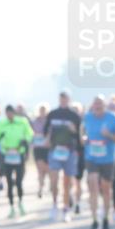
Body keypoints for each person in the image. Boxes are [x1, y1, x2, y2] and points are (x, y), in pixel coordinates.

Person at [83, 95, 115, 229]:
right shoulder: (87, 117)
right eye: (95, 104)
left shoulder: (112, 118)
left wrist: (109, 135)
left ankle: (105, 218)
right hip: (91, 157)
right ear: (92, 105)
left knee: (106, 189)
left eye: (100, 104)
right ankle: (94, 219)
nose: (97, 106)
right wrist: (83, 138)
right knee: (92, 184)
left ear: (104, 105)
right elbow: (83, 132)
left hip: (107, 159)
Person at [43, 91, 83, 221]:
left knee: (67, 183)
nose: (63, 101)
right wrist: (47, 139)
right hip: (54, 151)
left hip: (69, 151)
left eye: (65, 99)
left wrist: (74, 130)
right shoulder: (53, 114)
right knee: (54, 180)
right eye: (61, 99)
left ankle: (66, 208)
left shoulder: (74, 116)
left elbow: (80, 136)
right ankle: (55, 204)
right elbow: (46, 131)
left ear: (69, 99)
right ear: (59, 99)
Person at [0, 104, 33, 219]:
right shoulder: (1, 124)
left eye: (11, 113)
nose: (9, 115)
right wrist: (0, 138)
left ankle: (20, 203)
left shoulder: (22, 122)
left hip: (19, 155)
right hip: (7, 155)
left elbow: (30, 134)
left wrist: (24, 141)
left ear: (14, 113)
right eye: (7, 113)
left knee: (19, 181)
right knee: (9, 182)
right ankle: (11, 207)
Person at [31, 104, 50, 202]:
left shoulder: (49, 121)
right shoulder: (35, 121)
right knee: (39, 168)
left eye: (44, 110)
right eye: (41, 110)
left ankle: (44, 183)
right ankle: (40, 188)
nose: (42, 112)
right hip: (37, 147)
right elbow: (31, 133)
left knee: (46, 169)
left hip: (46, 147)